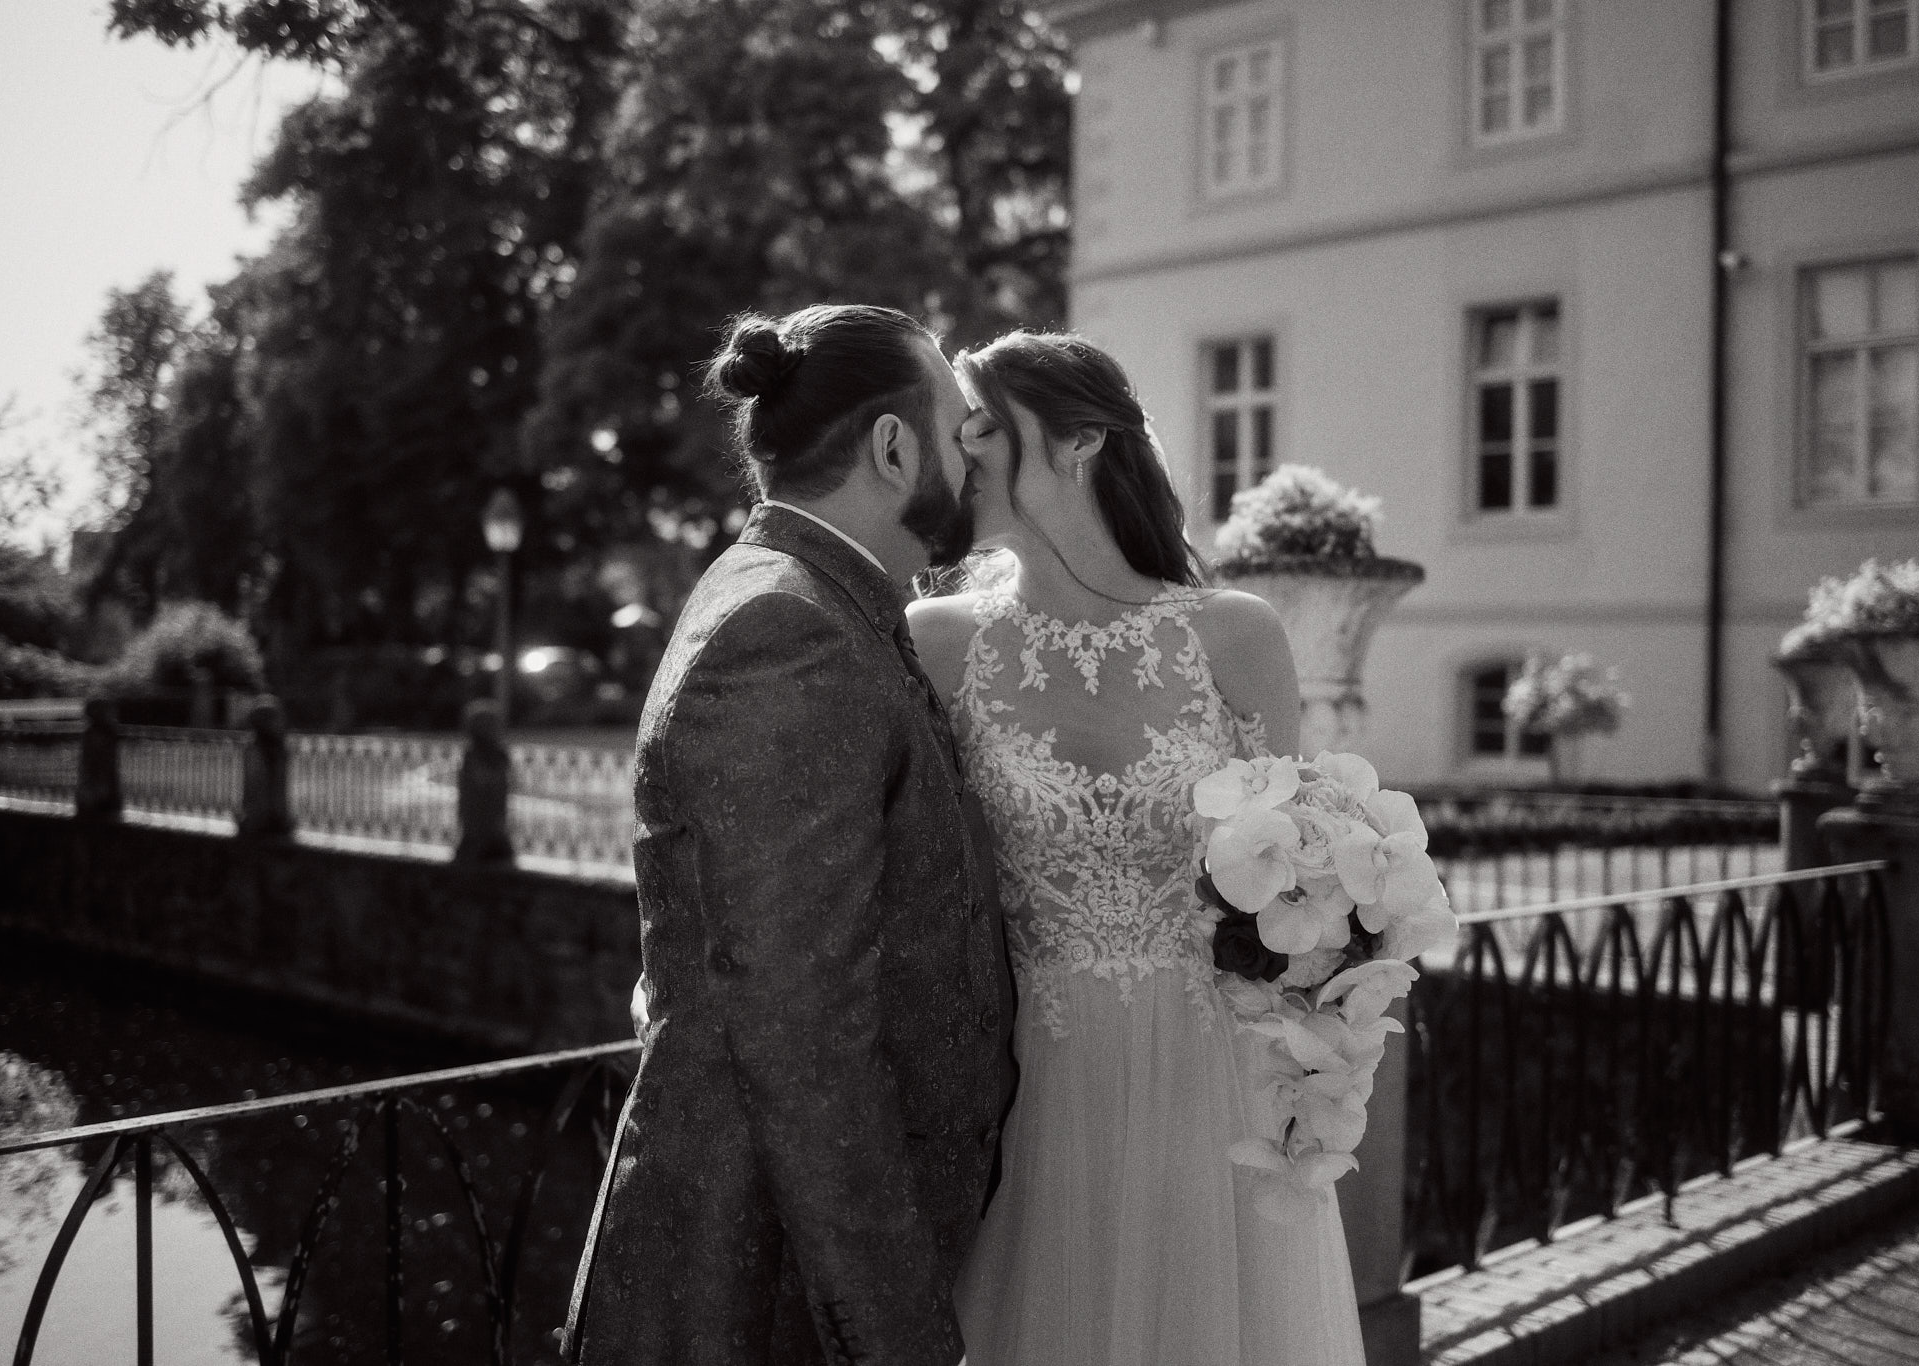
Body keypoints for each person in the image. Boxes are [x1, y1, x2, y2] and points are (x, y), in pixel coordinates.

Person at [564, 304, 1016, 1366]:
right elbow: (802, 1038)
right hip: (766, 1288)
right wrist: (900, 1334)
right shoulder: (789, 631)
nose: (976, 460)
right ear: (892, 447)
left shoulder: (819, 599)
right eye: (959, 431)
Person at [906, 331, 1367, 1366]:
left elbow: (1292, 892)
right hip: (1032, 1088)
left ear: (1077, 443)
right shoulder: (938, 642)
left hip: (1214, 1092)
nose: (958, 451)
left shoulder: (1234, 635)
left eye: (982, 428)